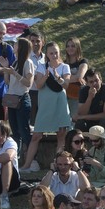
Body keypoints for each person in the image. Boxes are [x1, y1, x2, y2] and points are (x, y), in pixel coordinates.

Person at [20, 42, 71, 173]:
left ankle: (59, 166)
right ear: (47, 54)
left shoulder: (65, 67)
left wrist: (58, 78)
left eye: (56, 52)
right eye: (51, 53)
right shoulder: (41, 67)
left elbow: (65, 85)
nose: (54, 55)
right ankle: (26, 166)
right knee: (36, 135)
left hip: (60, 104)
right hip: (45, 106)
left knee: (61, 135)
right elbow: (38, 85)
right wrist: (47, 75)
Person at [1, 37, 34, 158]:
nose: (13, 46)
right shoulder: (14, 61)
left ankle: (32, 159)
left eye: (16, 44)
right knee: (14, 131)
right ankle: (16, 157)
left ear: (21, 47)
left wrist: (14, 73)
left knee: (24, 130)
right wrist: (6, 68)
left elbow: (28, 83)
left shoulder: (28, 62)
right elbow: (8, 82)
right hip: (12, 98)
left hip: (22, 99)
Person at [74, 71, 105, 136]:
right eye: (91, 82)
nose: (95, 83)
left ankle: (104, 143)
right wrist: (89, 98)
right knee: (80, 123)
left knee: (104, 121)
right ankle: (78, 143)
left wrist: (84, 117)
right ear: (87, 83)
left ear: (101, 80)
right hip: (90, 122)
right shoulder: (83, 91)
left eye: (96, 80)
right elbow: (81, 113)